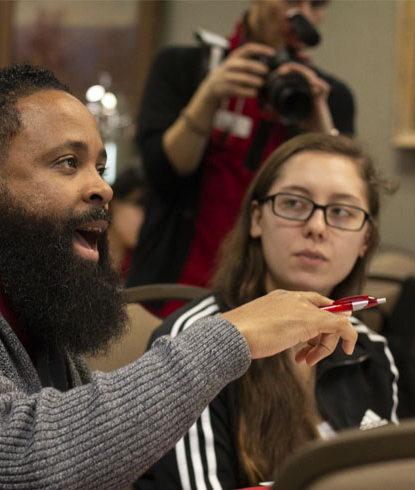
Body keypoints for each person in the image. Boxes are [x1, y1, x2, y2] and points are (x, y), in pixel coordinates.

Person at [0, 64, 359, 490]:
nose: (102, 187)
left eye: (99, 165)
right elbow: (24, 470)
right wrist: (228, 334)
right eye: (67, 163)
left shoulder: (37, 322)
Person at [132, 133, 399, 490]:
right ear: (257, 218)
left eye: (341, 212)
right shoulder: (194, 339)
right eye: (293, 203)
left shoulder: (370, 350)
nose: (317, 227)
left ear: (366, 240)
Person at [127, 0, 355, 318]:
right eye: (291, 0)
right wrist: (208, 97)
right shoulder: (181, 68)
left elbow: (344, 203)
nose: (302, 14)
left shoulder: (328, 97)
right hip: (172, 291)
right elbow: (160, 173)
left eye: (316, 4)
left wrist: (319, 129)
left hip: (267, 302)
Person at [107, 166, 147, 282]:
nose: (144, 217)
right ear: (113, 202)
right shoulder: (86, 249)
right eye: (139, 204)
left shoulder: (141, 261)